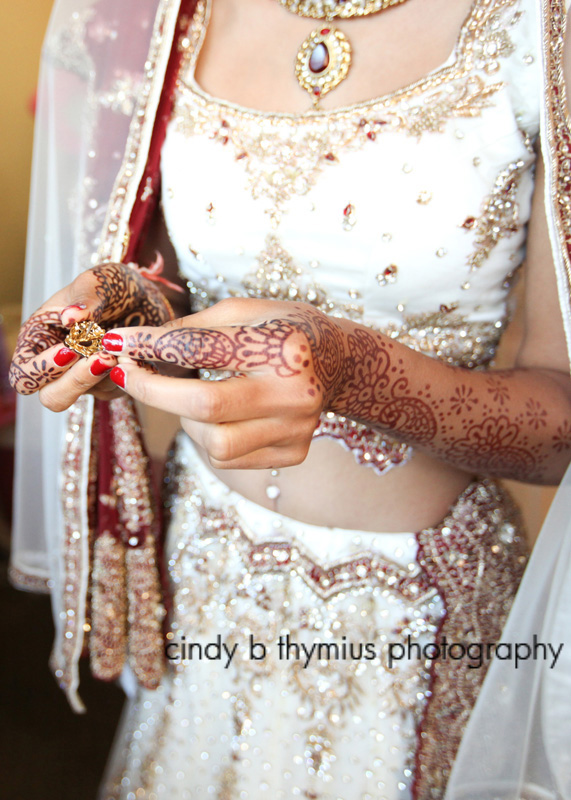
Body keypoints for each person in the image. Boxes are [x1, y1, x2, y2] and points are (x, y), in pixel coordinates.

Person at [8, 0, 571, 797]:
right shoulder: (170, 13)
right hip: (206, 578)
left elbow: (560, 420)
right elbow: (172, 275)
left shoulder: (539, 26)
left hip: (415, 619)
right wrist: (127, 303)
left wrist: (352, 374)